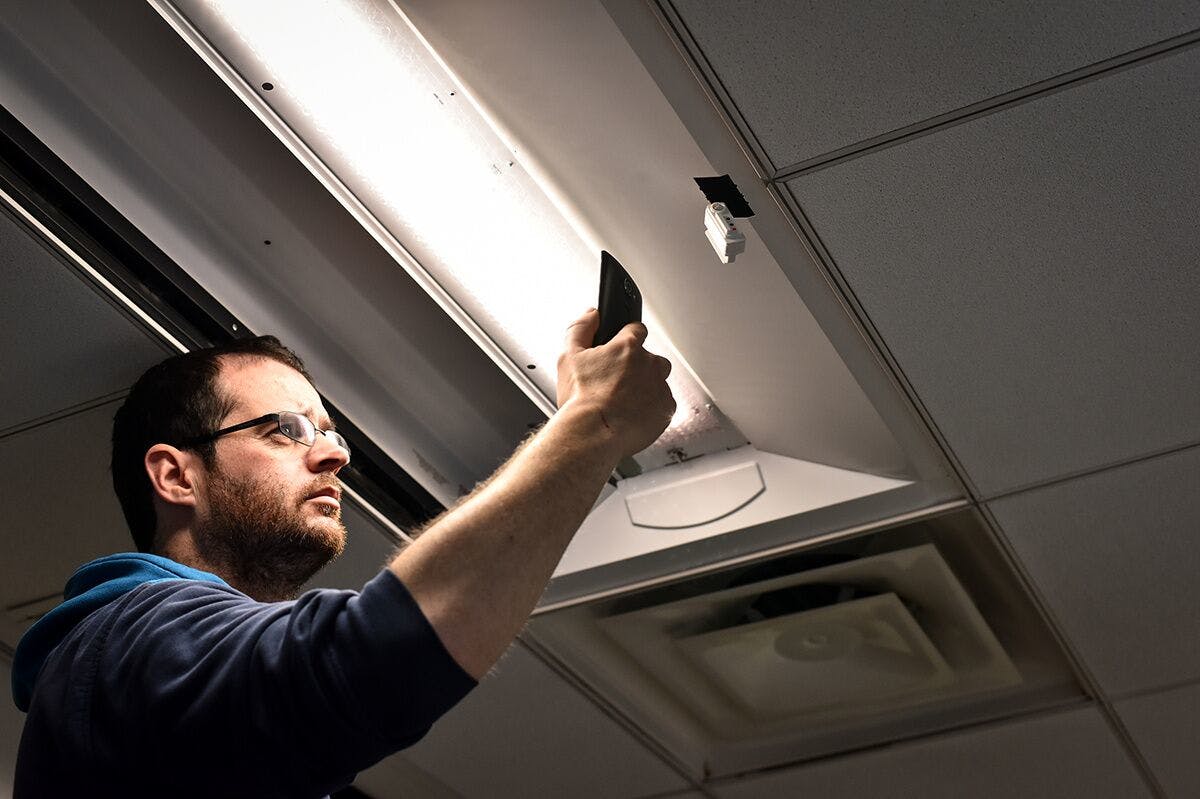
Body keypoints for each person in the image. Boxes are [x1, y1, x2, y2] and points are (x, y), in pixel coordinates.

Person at [10, 308, 674, 798]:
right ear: (178, 476)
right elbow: (365, 660)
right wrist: (596, 420)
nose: (333, 454)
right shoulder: (126, 639)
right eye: (285, 430)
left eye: (330, 434)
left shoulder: (210, 714)